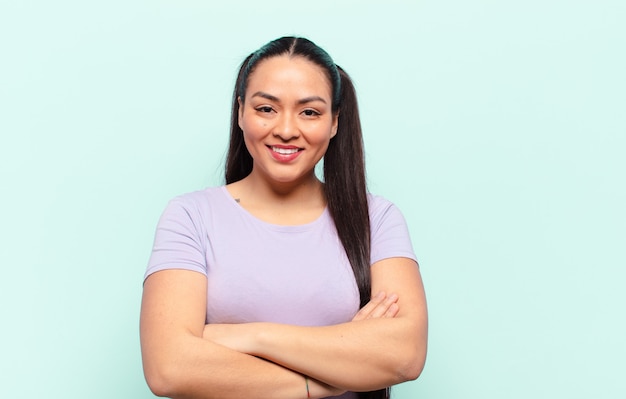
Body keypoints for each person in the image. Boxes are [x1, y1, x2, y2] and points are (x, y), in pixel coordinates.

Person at [140, 36, 428, 399]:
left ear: (335, 122)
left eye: (310, 112)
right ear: (241, 111)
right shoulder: (190, 217)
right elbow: (170, 369)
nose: (287, 129)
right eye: (266, 109)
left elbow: (405, 356)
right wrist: (324, 379)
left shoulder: (377, 218)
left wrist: (249, 335)